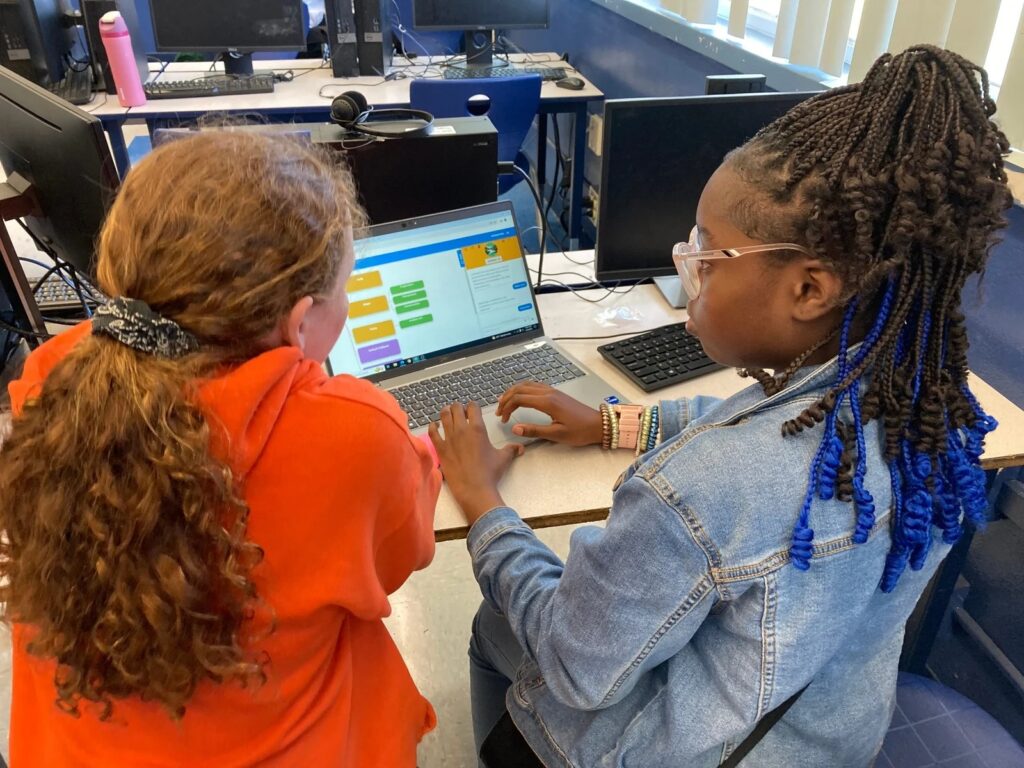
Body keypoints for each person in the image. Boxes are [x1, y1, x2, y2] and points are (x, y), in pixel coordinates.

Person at [430, 45, 1012, 766]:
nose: (685, 262)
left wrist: (483, 502)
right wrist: (614, 421)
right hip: (827, 736)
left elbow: (578, 668)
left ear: (810, 289)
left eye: (707, 251)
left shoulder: (693, 492)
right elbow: (760, 431)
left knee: (500, 614)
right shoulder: (934, 403)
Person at [0, 131, 440, 766]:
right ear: (300, 323)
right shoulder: (358, 437)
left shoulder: (50, 377)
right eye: (343, 288)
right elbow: (404, 554)